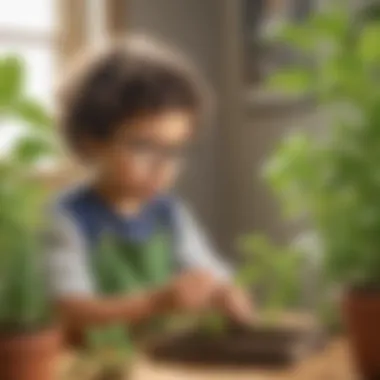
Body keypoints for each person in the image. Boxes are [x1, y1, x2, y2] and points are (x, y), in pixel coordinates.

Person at [45, 36, 253, 343]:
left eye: (174, 150)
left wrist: (225, 292)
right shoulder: (65, 219)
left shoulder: (169, 214)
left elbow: (209, 272)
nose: (162, 166)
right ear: (91, 141)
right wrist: (154, 303)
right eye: (143, 146)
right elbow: (67, 311)